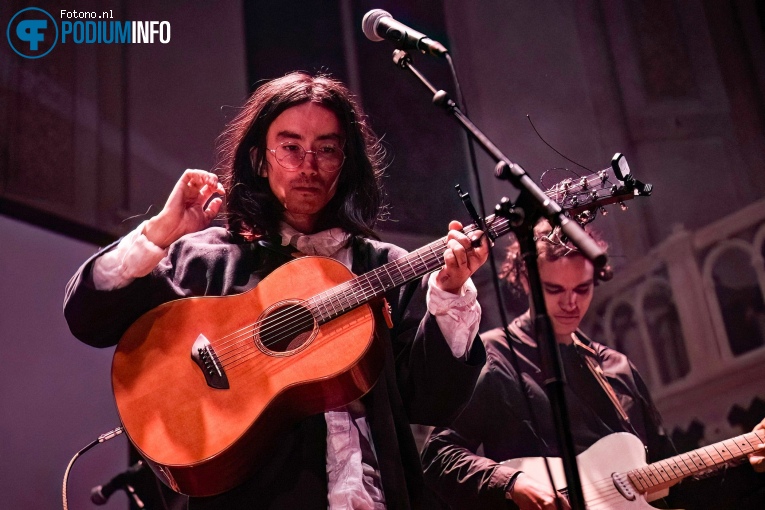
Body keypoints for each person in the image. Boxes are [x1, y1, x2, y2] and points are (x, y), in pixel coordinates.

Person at [64, 72, 489, 509]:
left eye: (326, 149)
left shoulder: (385, 267)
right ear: (260, 160)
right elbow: (88, 319)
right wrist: (157, 234)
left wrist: (452, 295)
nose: (308, 164)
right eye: (290, 148)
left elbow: (431, 403)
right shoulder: (203, 257)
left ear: (345, 163)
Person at [421, 221, 765, 510]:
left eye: (582, 289)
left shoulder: (618, 369)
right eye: (554, 289)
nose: (571, 303)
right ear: (526, 281)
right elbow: (438, 454)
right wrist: (512, 482)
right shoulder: (495, 356)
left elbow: (673, 479)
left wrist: (748, 456)